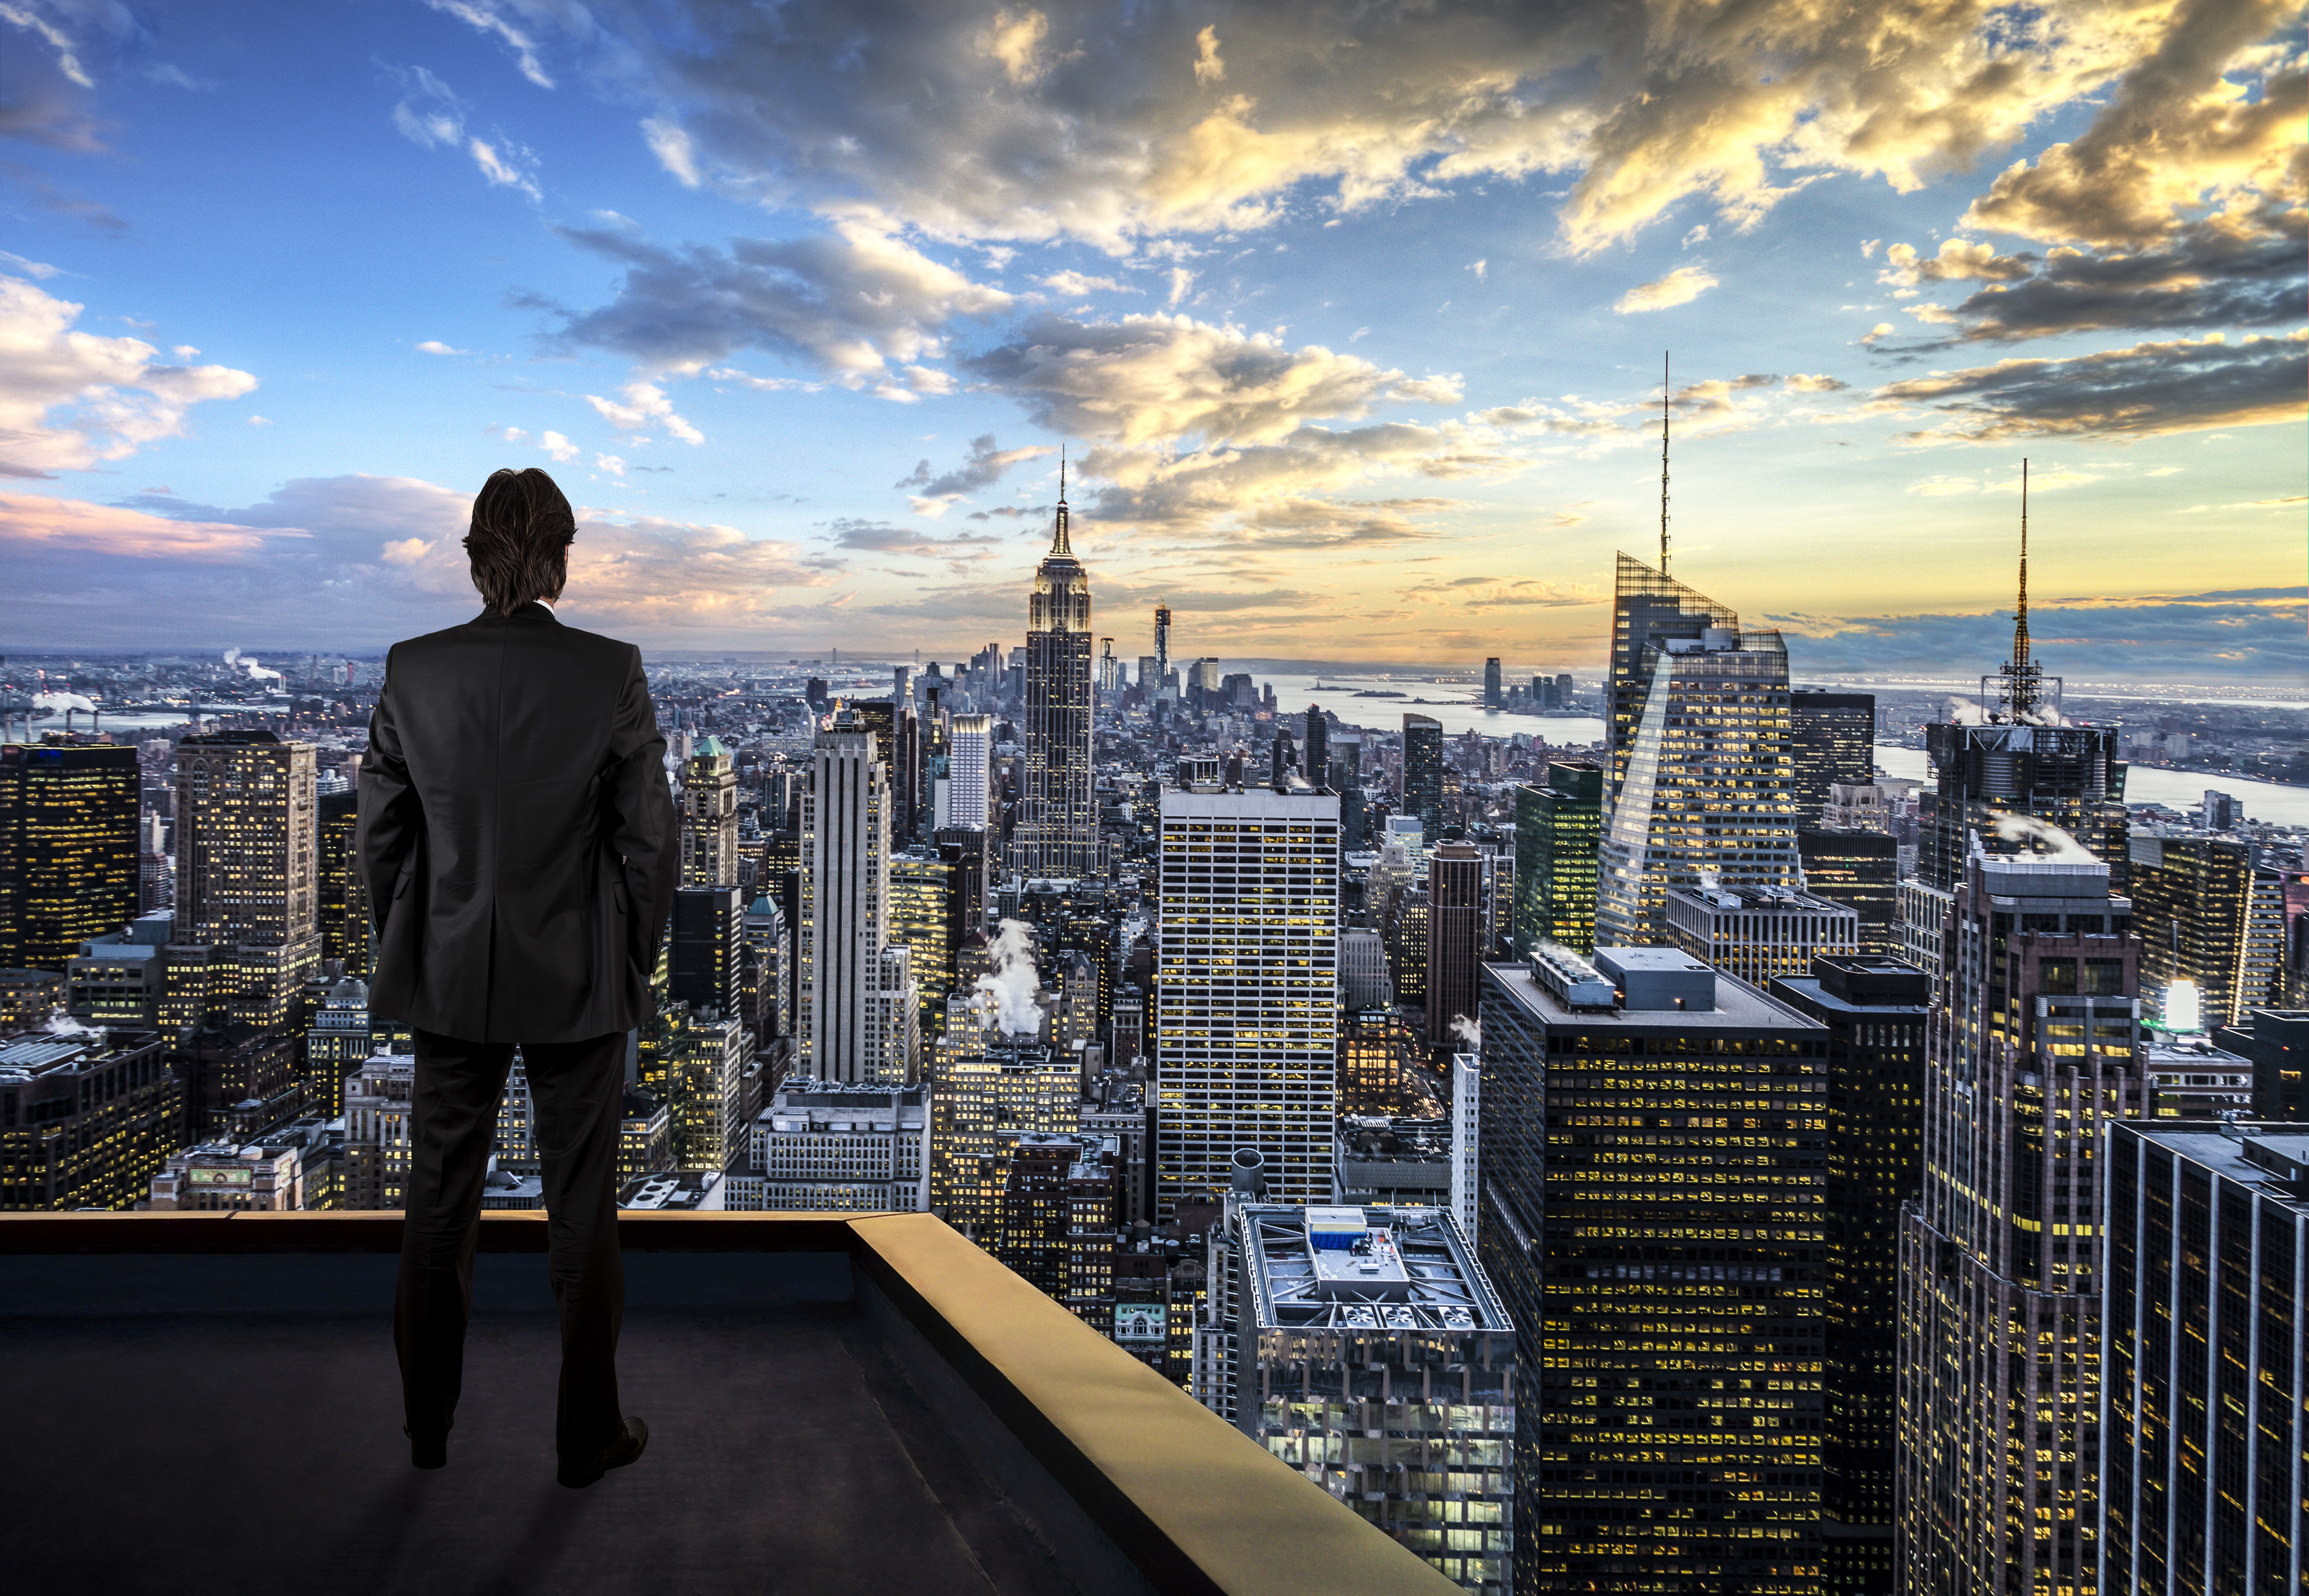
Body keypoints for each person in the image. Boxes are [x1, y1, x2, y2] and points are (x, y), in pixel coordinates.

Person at [358, 467, 677, 1487]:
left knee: (438, 1198)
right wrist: (629, 959)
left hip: (449, 970)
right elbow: (651, 843)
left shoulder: (414, 669)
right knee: (581, 1204)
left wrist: (414, 937)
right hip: (578, 974)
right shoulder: (609, 669)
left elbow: (379, 834)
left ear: (473, 551)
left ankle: (425, 1430)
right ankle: (586, 1436)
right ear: (561, 553)